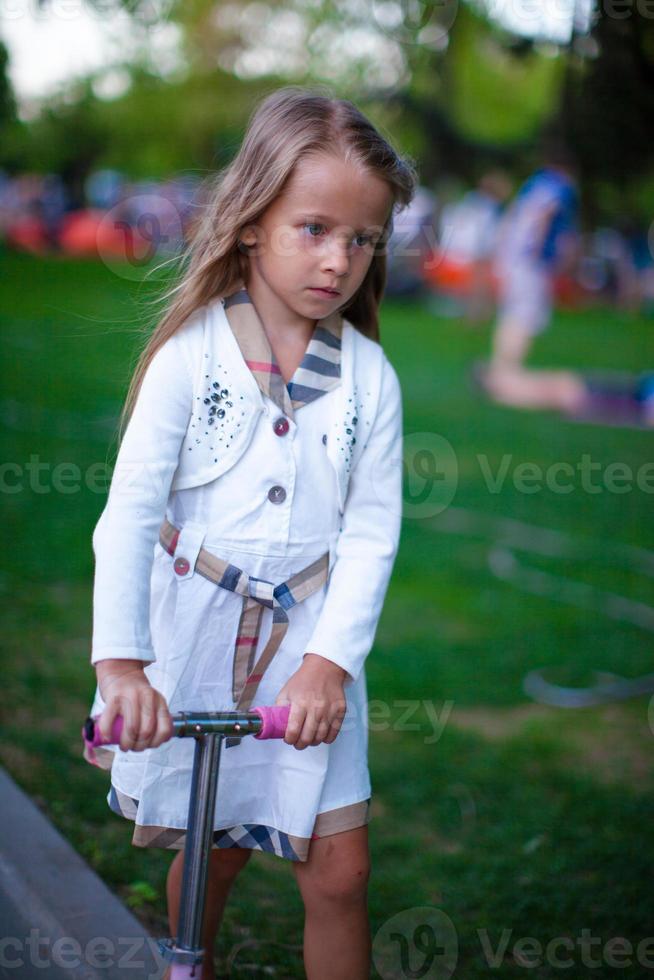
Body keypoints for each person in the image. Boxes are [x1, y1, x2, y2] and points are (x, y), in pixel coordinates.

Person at [83, 84, 417, 980]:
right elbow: (130, 514)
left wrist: (326, 665)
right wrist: (122, 666)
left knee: (342, 871)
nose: (340, 258)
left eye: (363, 238)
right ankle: (190, 961)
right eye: (315, 228)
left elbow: (372, 536)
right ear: (249, 222)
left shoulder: (370, 378)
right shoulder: (191, 355)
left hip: (310, 653)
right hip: (192, 637)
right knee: (216, 845)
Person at [483, 142, 580, 403]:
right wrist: (538, 249)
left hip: (514, 259)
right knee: (523, 315)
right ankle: (507, 376)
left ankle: (500, 370)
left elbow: (514, 218)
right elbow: (544, 214)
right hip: (529, 261)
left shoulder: (533, 183)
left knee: (512, 313)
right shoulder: (558, 185)